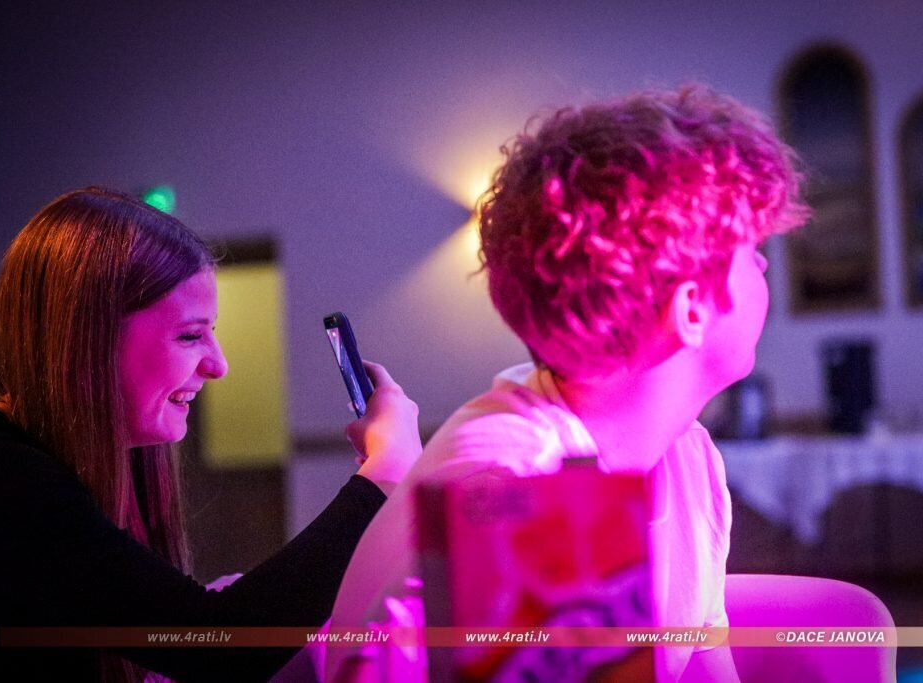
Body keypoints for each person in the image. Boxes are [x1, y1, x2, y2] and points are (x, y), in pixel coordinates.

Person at [327, 84, 809, 682]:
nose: (762, 263)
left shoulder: (688, 457)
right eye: (749, 249)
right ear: (690, 310)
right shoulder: (519, 492)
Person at [0, 187, 423, 682]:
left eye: (211, 332)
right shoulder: (14, 480)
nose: (218, 365)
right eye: (189, 335)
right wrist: (384, 476)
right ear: (86, 338)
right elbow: (220, 649)